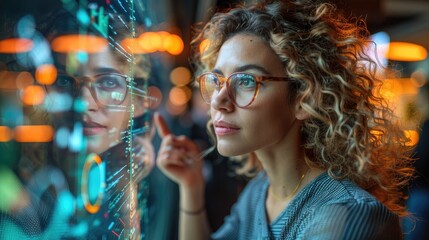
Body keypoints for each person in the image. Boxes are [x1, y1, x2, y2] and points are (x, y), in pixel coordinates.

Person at [154, 0, 414, 239]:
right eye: (218, 81)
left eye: (246, 81)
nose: (218, 101)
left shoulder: (349, 215)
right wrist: (191, 186)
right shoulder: (260, 192)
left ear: (304, 99)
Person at [0, 7, 154, 240]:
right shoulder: (31, 196)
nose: (84, 102)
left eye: (108, 83)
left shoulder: (147, 186)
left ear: (138, 101)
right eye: (64, 80)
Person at [404, 82, 429, 239]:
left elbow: (422, 162)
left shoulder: (427, 124)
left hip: (423, 192)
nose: (416, 101)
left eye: (419, 97)